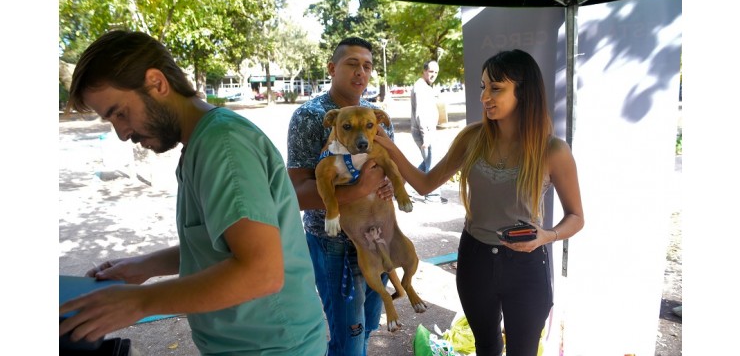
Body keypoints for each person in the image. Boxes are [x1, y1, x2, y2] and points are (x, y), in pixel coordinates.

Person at [59, 30, 327, 356]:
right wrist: (144, 266)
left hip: (275, 347)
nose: (121, 132)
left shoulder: (222, 145)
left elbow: (261, 274)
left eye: (120, 113)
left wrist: (138, 303)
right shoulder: (200, 144)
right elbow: (217, 245)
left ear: (157, 83)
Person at [376, 49, 585, 356]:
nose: (485, 96)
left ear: (524, 92)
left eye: (496, 88)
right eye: (483, 87)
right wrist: (387, 145)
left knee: (523, 351)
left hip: (527, 266)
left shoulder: (553, 150)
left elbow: (576, 217)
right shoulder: (472, 138)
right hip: (476, 260)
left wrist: (547, 236)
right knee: (487, 347)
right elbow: (424, 184)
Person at [287, 37, 396, 356]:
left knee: (367, 329)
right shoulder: (309, 116)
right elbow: (297, 191)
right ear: (332, 68)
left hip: (377, 240)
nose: (361, 71)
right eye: (352, 63)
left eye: (367, 65)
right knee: (348, 338)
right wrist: (359, 190)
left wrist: (386, 183)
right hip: (334, 244)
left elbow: (385, 167)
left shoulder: (376, 116)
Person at [410, 60, 447, 203]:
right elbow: (421, 113)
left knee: (427, 162)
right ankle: (432, 196)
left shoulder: (426, 87)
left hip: (427, 131)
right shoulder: (420, 87)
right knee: (432, 163)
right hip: (424, 132)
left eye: (436, 72)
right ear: (424, 71)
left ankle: (409, 189)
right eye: (431, 71)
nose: (433, 75)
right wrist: (426, 138)